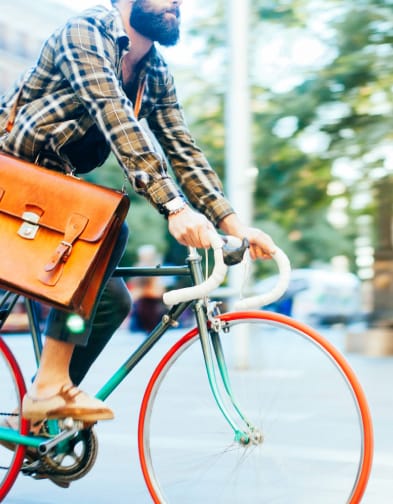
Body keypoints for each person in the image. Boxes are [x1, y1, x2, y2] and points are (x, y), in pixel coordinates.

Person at [0, 0, 276, 424]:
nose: (177, 4)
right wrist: (173, 206)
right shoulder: (87, 32)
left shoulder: (155, 72)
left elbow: (182, 150)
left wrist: (235, 226)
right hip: (10, 183)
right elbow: (116, 118)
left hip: (50, 193)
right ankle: (48, 386)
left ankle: (41, 409)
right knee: (111, 228)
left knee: (108, 300)